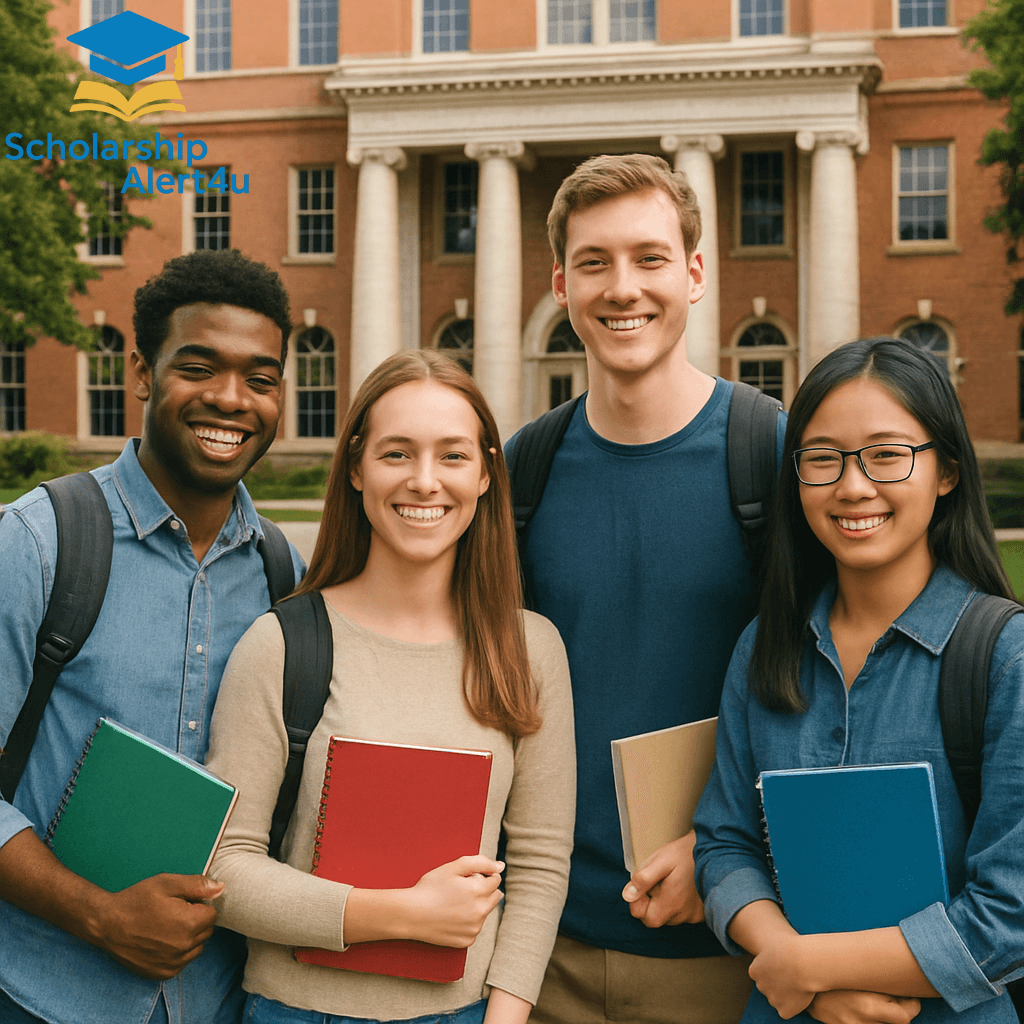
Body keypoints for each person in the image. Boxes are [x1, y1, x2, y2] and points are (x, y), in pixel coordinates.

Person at [203, 349, 575, 1024]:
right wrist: (397, 914)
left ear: (489, 473)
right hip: (295, 1011)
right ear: (355, 468)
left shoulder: (531, 651)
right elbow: (223, 867)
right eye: (397, 454)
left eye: (454, 456)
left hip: (466, 1013)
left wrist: (505, 1015)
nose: (425, 482)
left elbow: (542, 865)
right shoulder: (283, 644)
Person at [505, 152, 785, 1024]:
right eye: (594, 262)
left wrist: (724, 857)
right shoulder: (524, 470)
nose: (622, 287)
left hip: (721, 952)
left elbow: (841, 690)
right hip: (540, 948)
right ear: (561, 284)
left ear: (696, 273)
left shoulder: (774, 455)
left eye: (650, 257)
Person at [0, 248, 304, 1024]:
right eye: (198, 367)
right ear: (141, 373)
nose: (232, 400)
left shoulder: (283, 572)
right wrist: (101, 915)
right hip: (43, 996)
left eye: (261, 379)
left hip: (220, 1000)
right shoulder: (37, 544)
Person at [692, 337, 1024, 1023]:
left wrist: (807, 968)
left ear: (948, 471)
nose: (852, 486)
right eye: (823, 458)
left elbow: (1009, 912)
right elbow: (725, 843)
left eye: (887, 454)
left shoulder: (1004, 656)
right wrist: (777, 946)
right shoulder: (766, 646)